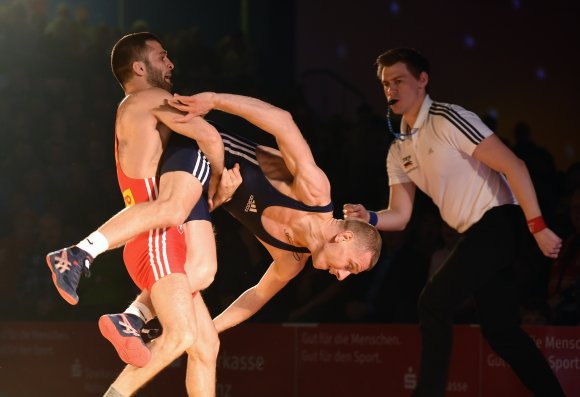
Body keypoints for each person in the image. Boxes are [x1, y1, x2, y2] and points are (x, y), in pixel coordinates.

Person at [97, 91, 383, 366]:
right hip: (195, 141)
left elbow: (254, 298)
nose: (342, 276)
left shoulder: (292, 260)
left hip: (193, 185)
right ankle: (88, 261)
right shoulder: (315, 193)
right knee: (201, 267)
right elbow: (282, 121)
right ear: (345, 236)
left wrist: (208, 328)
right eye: (350, 265)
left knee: (203, 334)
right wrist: (214, 100)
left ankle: (131, 318)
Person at [343, 48, 565, 397]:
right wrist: (368, 216)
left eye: (399, 80)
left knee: (433, 302)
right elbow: (400, 216)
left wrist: (538, 227)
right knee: (500, 331)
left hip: (499, 221)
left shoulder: (447, 118)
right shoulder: (398, 150)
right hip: (475, 235)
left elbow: (515, 166)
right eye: (386, 84)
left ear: (422, 81)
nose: (391, 90)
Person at [48, 32, 223, 397]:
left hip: (151, 235)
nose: (170, 63)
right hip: (156, 239)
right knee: (183, 334)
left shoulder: (132, 106)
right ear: (140, 67)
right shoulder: (152, 98)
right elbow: (207, 135)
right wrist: (222, 177)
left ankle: (131, 315)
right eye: (162, 57)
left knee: (206, 346)